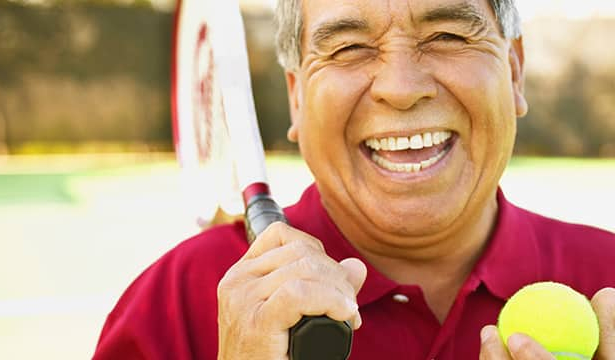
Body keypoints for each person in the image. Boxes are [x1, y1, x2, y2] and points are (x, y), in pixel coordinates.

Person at [93, 0, 615, 358]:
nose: (400, 88)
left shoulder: (606, 274)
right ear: (297, 96)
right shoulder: (173, 303)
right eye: (347, 48)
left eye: (447, 35)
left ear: (515, 72)